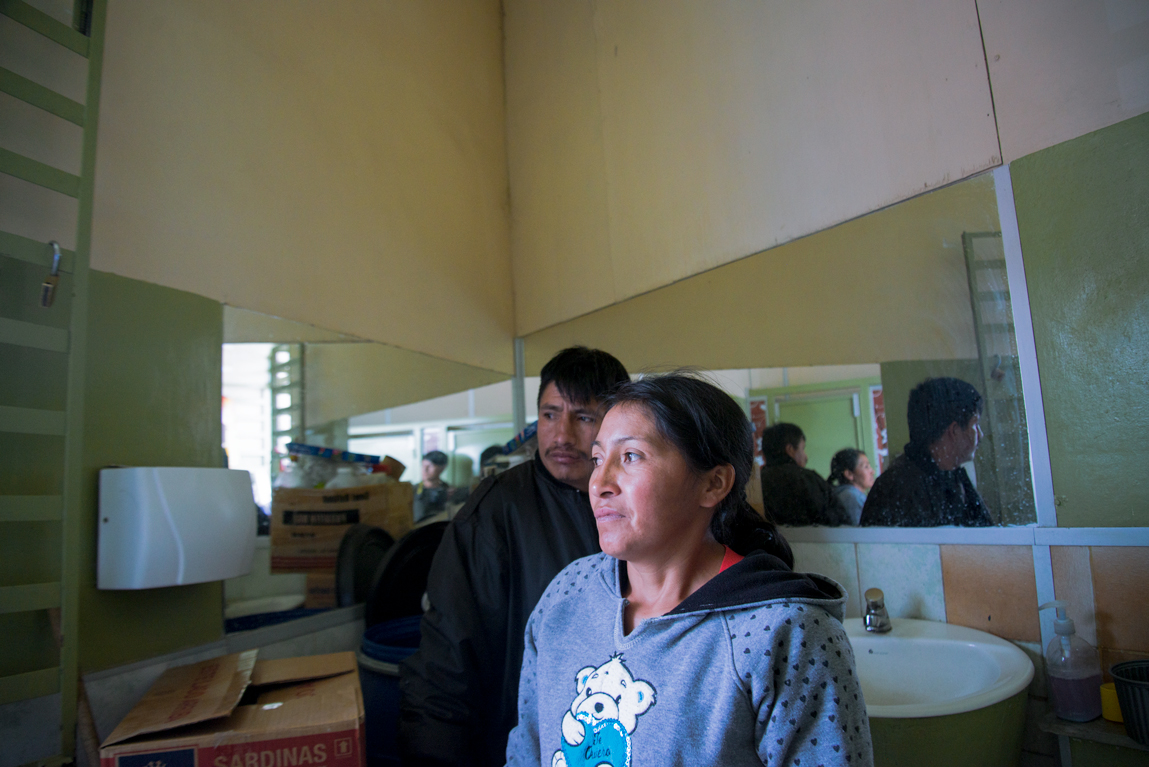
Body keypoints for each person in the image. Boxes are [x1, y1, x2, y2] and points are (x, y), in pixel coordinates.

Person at [507, 373, 872, 766]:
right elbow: (526, 751)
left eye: (630, 456)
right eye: (598, 459)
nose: (599, 483)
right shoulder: (568, 592)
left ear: (713, 484)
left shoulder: (787, 633)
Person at [399, 346, 630, 767]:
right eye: (549, 415)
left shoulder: (640, 502)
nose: (562, 435)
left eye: (583, 417)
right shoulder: (497, 510)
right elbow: (448, 658)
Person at [860, 377, 993, 527]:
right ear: (954, 431)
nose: (980, 435)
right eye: (975, 424)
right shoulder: (899, 489)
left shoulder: (950, 477)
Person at [759, 422, 849, 526]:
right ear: (790, 450)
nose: (806, 456)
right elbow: (841, 521)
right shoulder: (809, 480)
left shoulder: (754, 484)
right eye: (802, 448)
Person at [828, 448, 876, 525]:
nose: (872, 471)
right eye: (866, 467)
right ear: (849, 474)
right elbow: (860, 530)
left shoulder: (848, 494)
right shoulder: (851, 497)